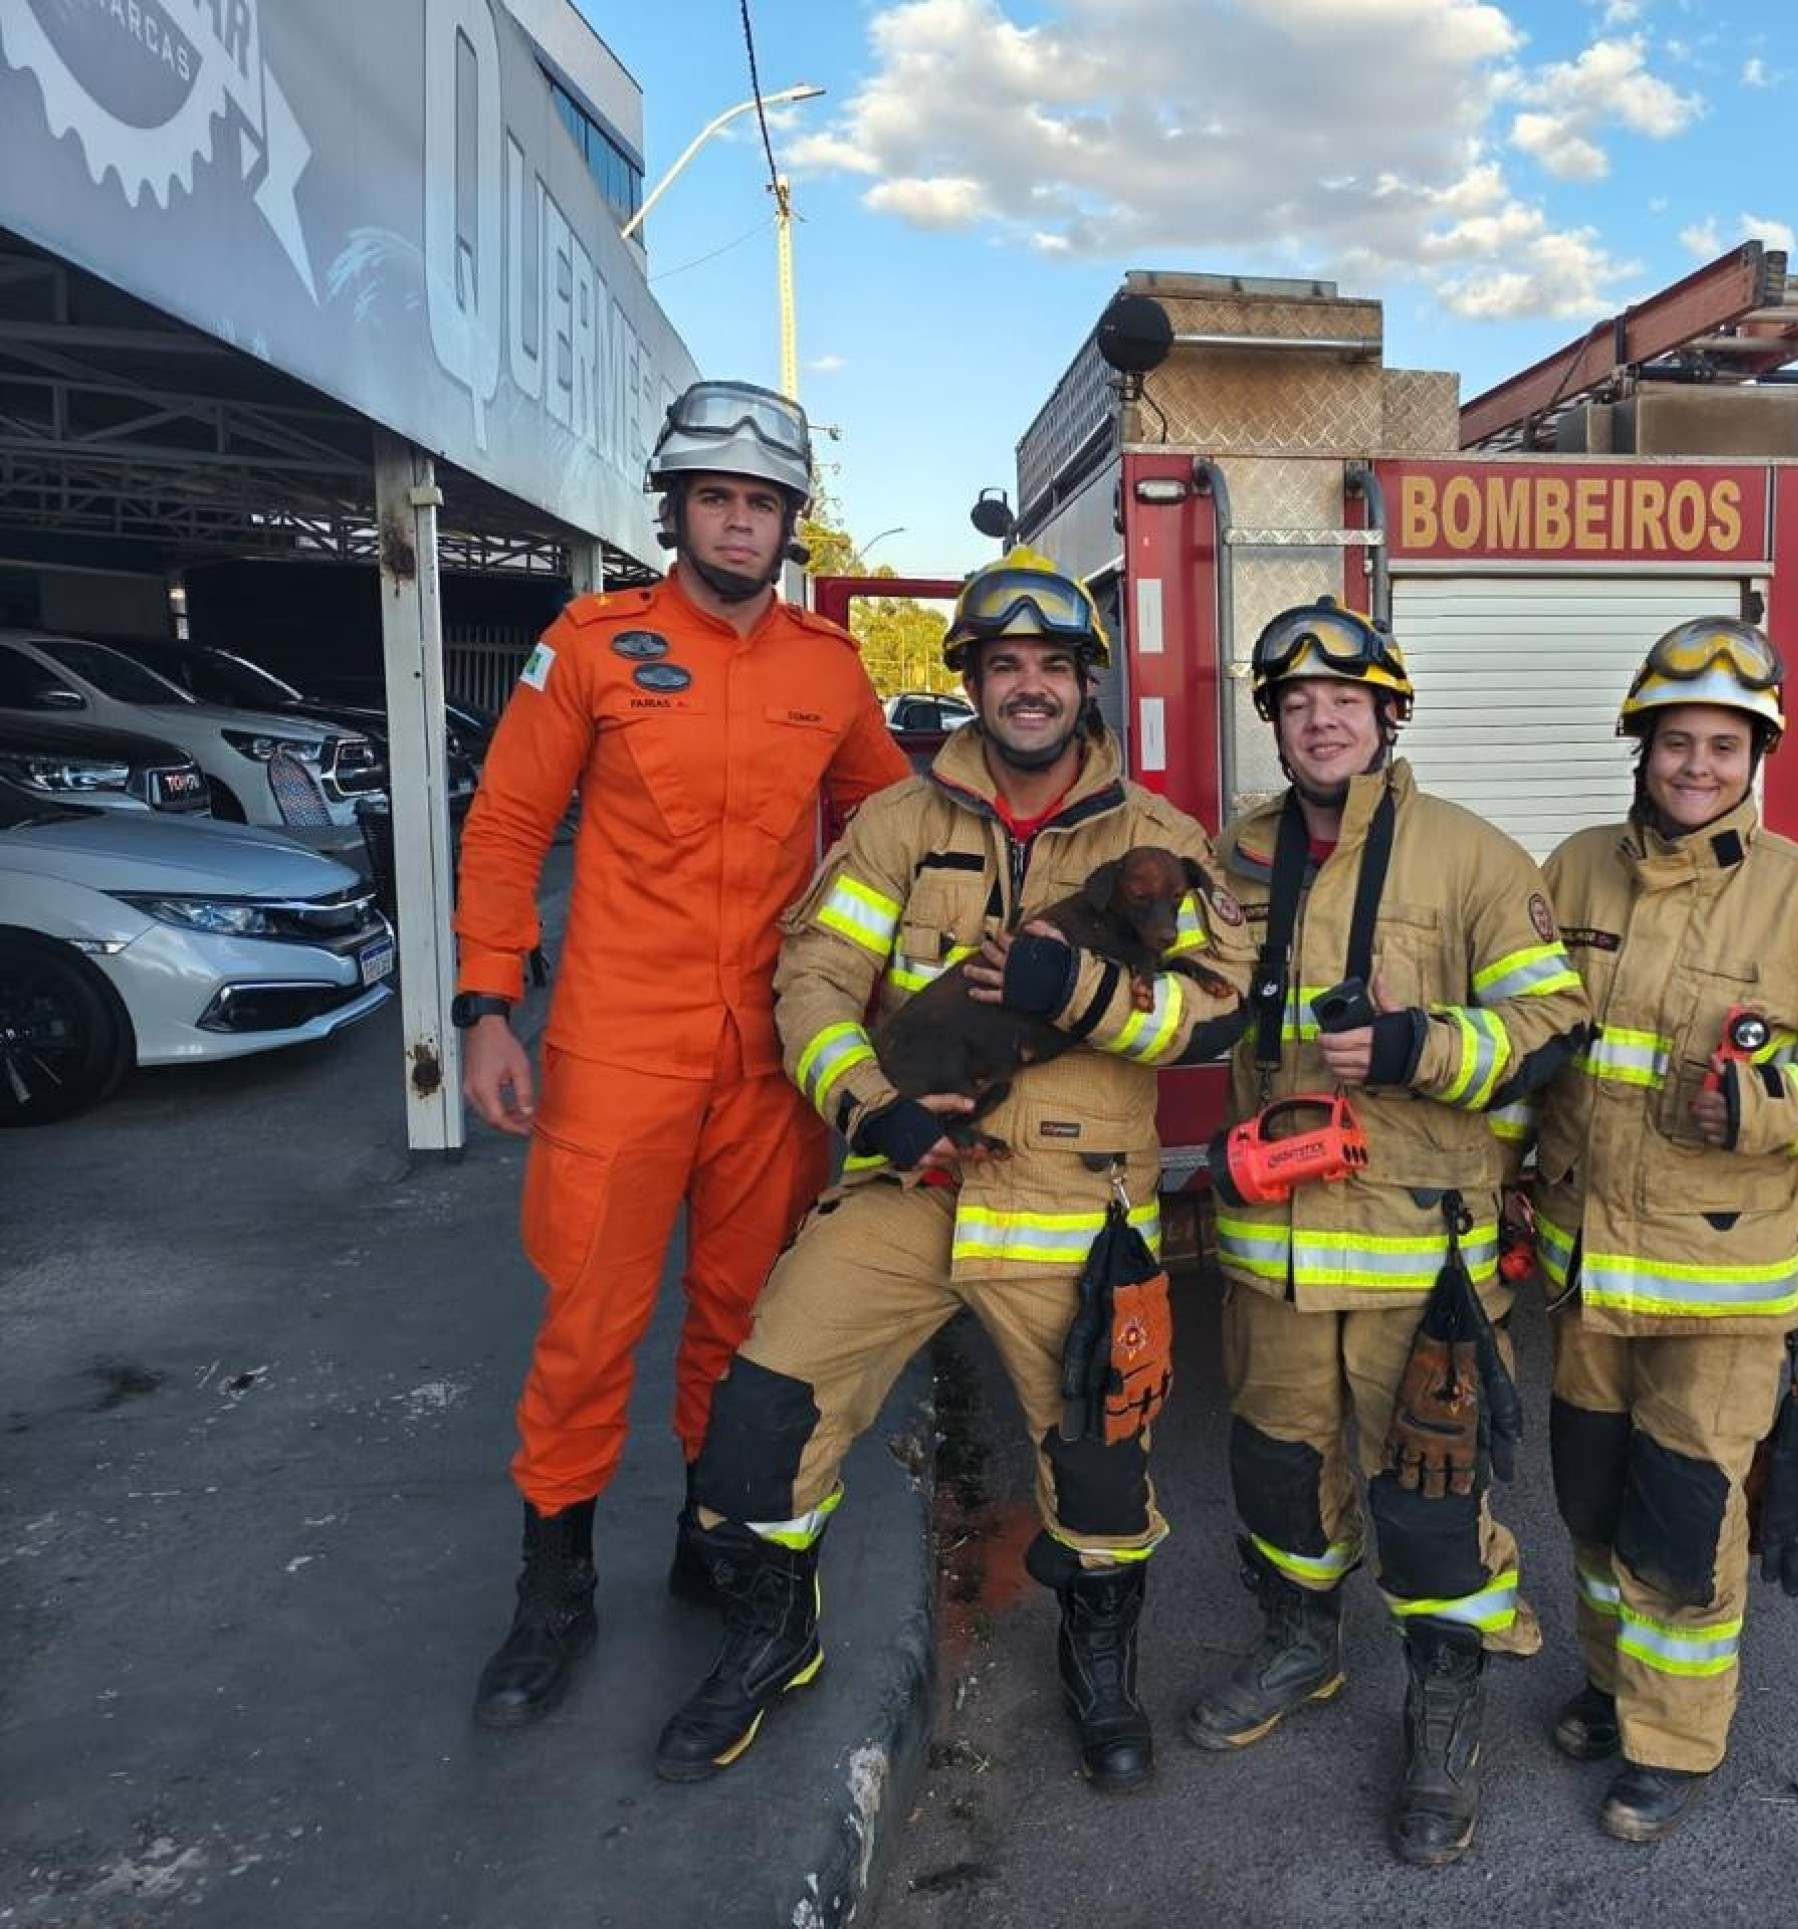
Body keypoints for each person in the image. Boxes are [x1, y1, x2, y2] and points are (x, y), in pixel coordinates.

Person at [653, 549, 1253, 1788]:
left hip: (1078, 1217)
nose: (1027, 688)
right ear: (970, 681)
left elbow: (1216, 1014)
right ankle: (777, 1638)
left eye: (1051, 666)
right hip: (909, 1188)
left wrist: (1078, 991)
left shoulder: (1162, 842)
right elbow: (814, 980)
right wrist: (870, 1107)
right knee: (759, 1419)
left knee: (1098, 1470)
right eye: (1002, 666)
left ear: (1086, 686)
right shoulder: (897, 823)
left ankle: (1101, 1675)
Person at [454, 379, 910, 1729]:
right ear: (677, 509)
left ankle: (713, 1542)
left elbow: (891, 830)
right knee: (589, 1326)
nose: (737, 522)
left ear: (789, 524)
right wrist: (487, 1004)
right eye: (716, 497)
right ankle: (554, 1587)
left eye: (761, 502)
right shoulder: (588, 646)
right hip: (615, 1052)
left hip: (772, 1057)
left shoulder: (829, 670)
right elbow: (505, 825)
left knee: (739, 1325)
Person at [1186, 597, 1592, 1867]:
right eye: (1295, 704)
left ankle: (1442, 1709)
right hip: (1273, 1250)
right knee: (1273, 1475)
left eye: (1344, 701)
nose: (1320, 719)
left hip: (1422, 1252)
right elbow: (1188, 999)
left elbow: (1553, 1029)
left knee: (1429, 1496)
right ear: (1275, 725)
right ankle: (1302, 1650)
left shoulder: (1469, 857)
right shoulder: (1235, 853)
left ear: (1387, 714)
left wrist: (1426, 1045)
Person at [1525, 617, 1798, 1841]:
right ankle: (1609, 1684)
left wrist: (1761, 1105)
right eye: (1675, 741)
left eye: (1722, 744)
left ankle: (1672, 1743)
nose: (1696, 765)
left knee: (1683, 1524)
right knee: (1592, 1509)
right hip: (1586, 1275)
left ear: (1757, 757)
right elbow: (1534, 1045)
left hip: (1720, 1284)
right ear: (1639, 747)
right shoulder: (1576, 867)